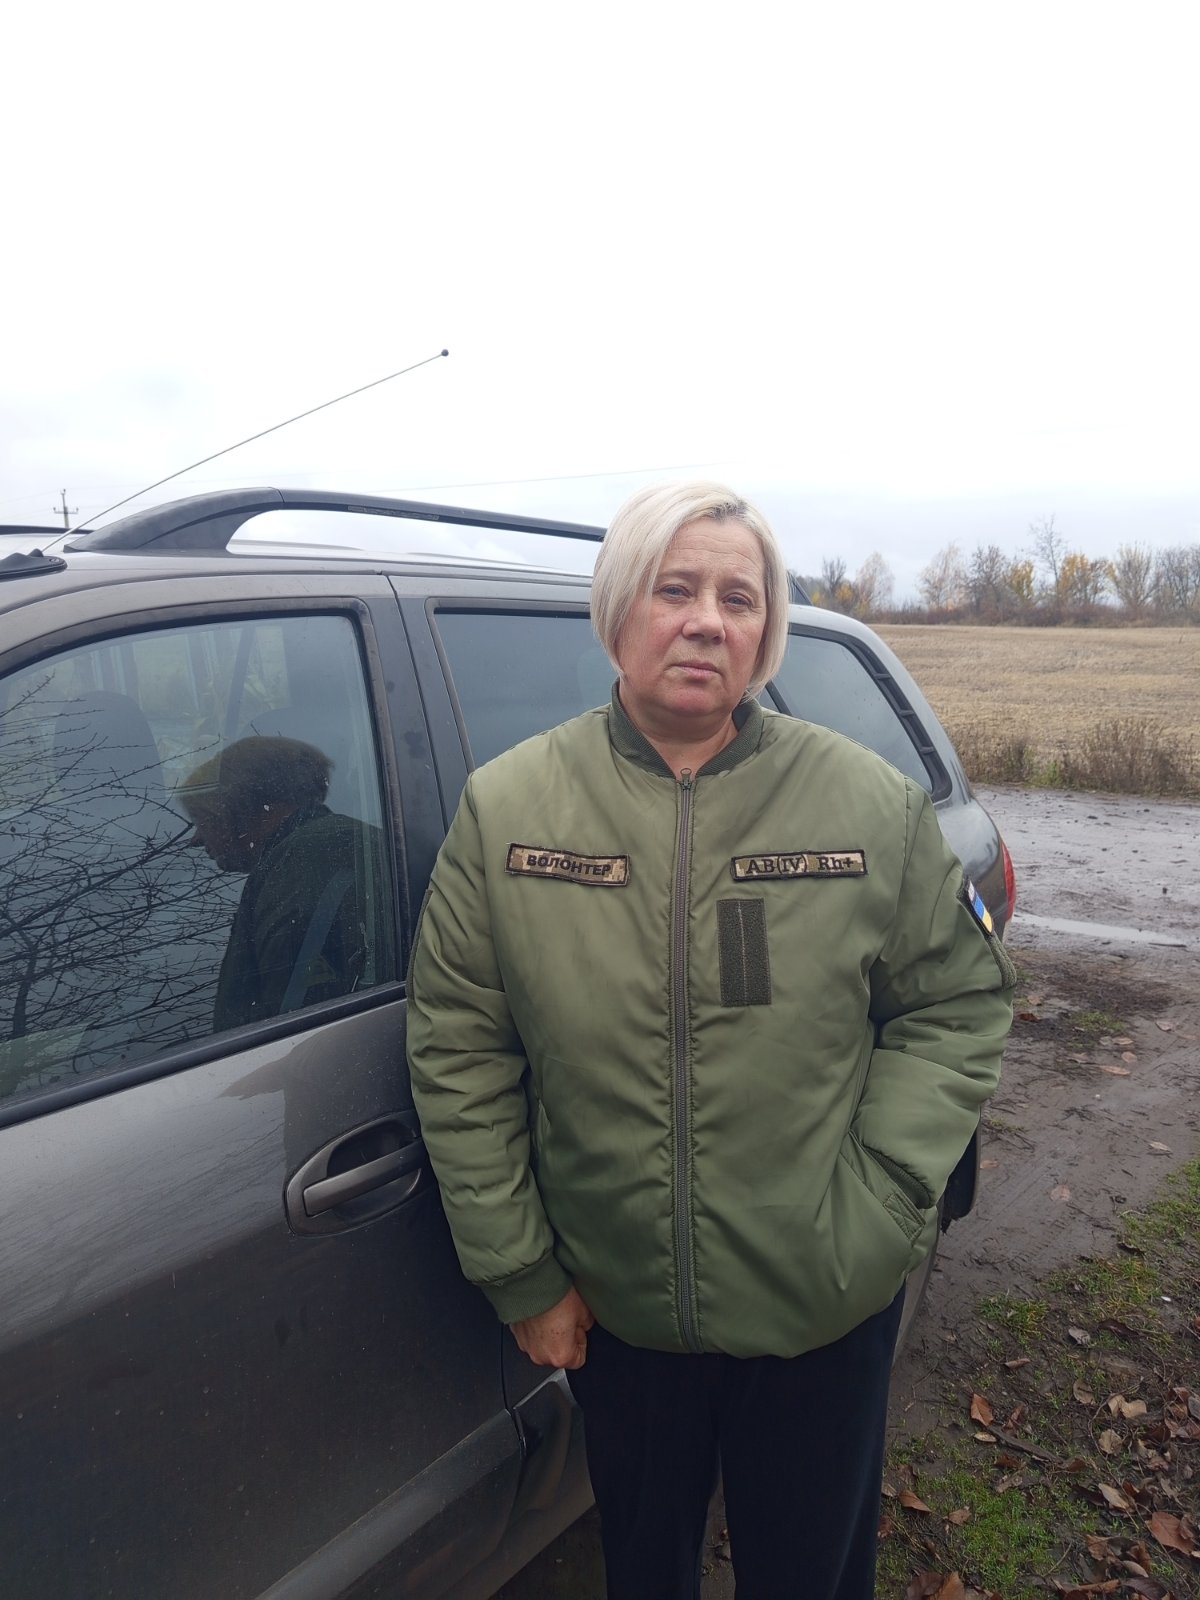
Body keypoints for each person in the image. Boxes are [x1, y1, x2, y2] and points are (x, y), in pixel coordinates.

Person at [406, 482, 1014, 1599]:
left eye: (739, 598)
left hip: (823, 1303)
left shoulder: (865, 804)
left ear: (765, 629)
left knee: (810, 1575)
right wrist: (522, 1270)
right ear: (618, 608)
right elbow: (460, 1047)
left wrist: (879, 1204)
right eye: (674, 588)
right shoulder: (509, 811)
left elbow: (956, 1006)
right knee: (643, 1572)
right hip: (619, 1313)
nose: (706, 621)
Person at [178, 735, 391, 1030]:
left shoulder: (304, 870)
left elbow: (291, 1028)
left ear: (243, 807)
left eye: (204, 818)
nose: (196, 839)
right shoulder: (322, 852)